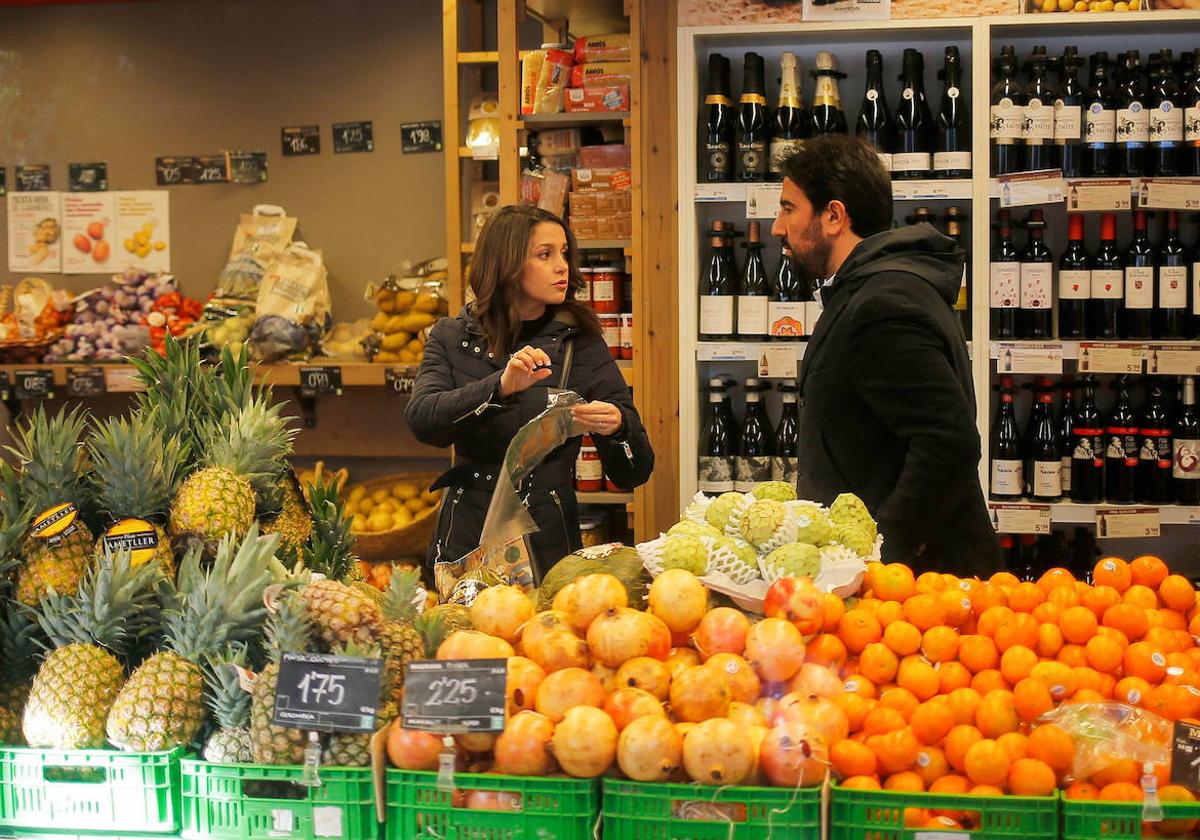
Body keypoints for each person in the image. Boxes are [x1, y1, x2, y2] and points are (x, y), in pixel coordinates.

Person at [770, 135, 999, 575]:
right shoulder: (876, 288)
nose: (779, 226)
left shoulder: (882, 303)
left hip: (916, 594)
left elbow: (947, 444)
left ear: (833, 216)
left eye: (788, 208)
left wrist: (883, 552)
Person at [406, 205, 654, 580]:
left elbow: (636, 471)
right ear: (505, 264)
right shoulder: (451, 336)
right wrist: (500, 387)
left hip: (548, 541)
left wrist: (618, 427)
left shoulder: (580, 342)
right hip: (466, 535)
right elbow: (424, 421)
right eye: (545, 255)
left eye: (564, 253)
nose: (562, 266)